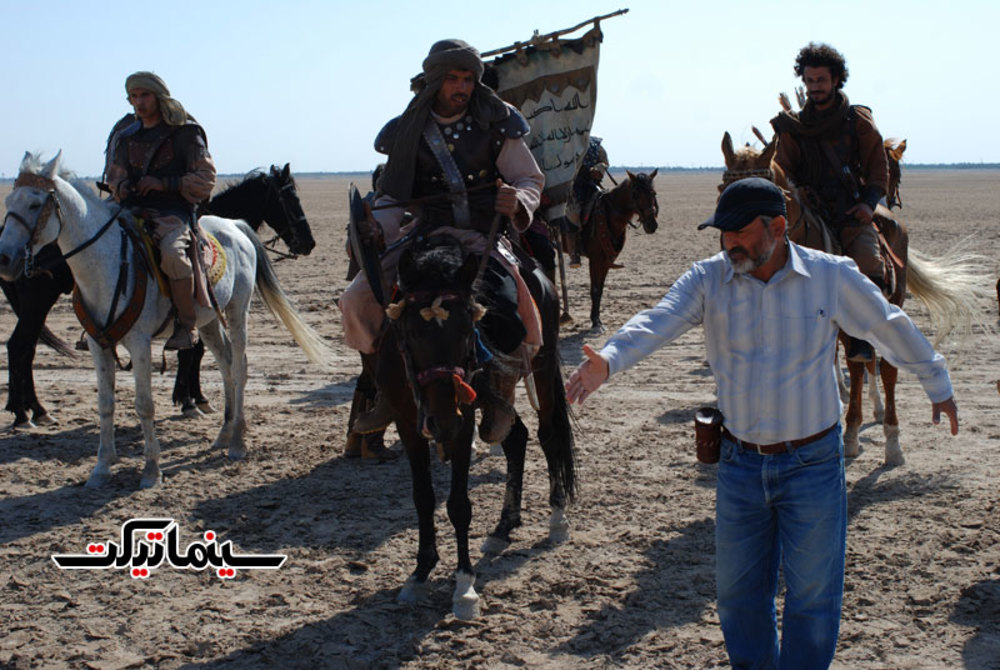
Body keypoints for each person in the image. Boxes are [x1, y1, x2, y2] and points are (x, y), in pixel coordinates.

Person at [565, 178, 959, 669]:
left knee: (813, 600)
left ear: (777, 227)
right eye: (722, 233)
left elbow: (887, 324)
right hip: (739, 465)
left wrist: (937, 382)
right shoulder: (709, 278)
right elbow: (658, 319)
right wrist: (609, 358)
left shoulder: (830, 276)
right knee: (738, 598)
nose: (728, 243)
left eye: (739, 233)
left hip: (813, 465)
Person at [341, 39, 545, 440]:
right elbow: (392, 199)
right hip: (422, 237)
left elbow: (529, 179)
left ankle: (501, 391)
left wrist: (517, 199)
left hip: (481, 239)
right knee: (359, 299)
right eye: (453, 78)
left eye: (468, 79)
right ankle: (388, 391)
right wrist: (374, 231)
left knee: (505, 306)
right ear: (435, 81)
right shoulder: (408, 129)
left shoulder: (497, 120)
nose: (462, 87)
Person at [770, 42, 889, 363]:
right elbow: (783, 168)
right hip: (809, 208)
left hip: (852, 209)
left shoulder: (857, 121)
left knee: (866, 263)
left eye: (821, 80)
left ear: (836, 80)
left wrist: (867, 205)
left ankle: (863, 338)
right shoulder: (793, 126)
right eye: (809, 81)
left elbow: (879, 168)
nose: (814, 88)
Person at [106, 71, 216, 351]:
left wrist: (164, 183)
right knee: (92, 239)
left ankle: (186, 324)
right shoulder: (125, 136)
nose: (139, 102)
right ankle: (99, 320)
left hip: (172, 212)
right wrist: (123, 187)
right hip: (130, 209)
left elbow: (205, 179)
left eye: (145, 95)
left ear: (158, 97)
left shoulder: (186, 133)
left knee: (172, 254)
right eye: (134, 96)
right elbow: (114, 175)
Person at [564, 136, 609, 267]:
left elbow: (604, 162)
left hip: (591, 186)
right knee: (573, 214)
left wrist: (598, 169)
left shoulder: (595, 144)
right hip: (572, 188)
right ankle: (574, 253)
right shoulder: (565, 140)